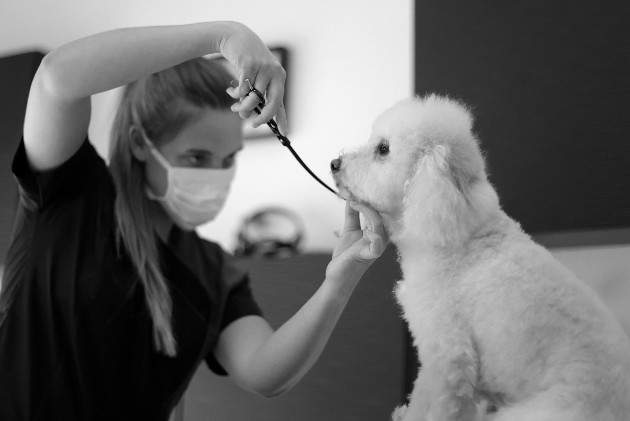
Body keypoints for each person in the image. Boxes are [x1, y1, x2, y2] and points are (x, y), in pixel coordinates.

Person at [0, 21, 387, 420]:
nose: (217, 174)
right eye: (198, 158)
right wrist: (223, 37)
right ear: (139, 143)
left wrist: (339, 281)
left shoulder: (214, 270)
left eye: (228, 159)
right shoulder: (72, 198)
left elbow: (265, 373)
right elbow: (56, 78)